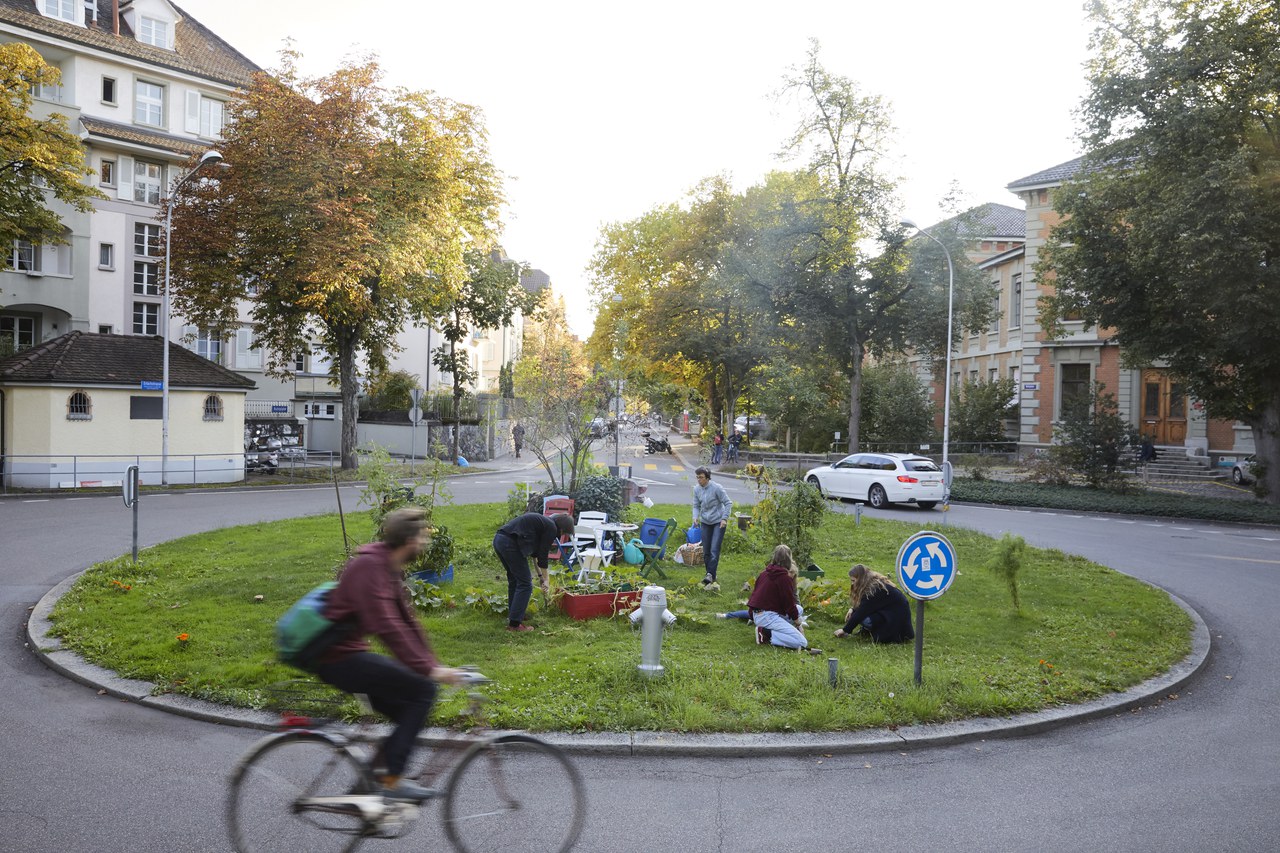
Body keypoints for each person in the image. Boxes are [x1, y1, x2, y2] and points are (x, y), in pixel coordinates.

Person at [314, 508, 465, 803]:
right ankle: (391, 781)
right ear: (409, 539)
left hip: (346, 653)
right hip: (336, 657)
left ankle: (372, 781)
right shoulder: (371, 567)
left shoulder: (387, 566)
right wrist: (429, 672)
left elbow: (406, 621)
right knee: (423, 691)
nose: (425, 544)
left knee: (408, 711)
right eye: (423, 537)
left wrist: (433, 664)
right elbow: (387, 627)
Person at [492, 511, 575, 631]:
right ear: (561, 528)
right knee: (525, 584)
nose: (562, 535)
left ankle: (515, 615)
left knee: (515, 580)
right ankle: (515, 624)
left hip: (500, 540)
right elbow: (543, 556)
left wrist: (541, 576)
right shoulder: (551, 527)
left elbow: (534, 556)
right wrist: (547, 580)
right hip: (509, 544)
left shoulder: (543, 524)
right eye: (564, 533)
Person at [745, 545, 821, 654]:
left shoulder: (764, 573)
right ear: (789, 559)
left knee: (799, 609)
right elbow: (789, 604)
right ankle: (765, 633)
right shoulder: (784, 578)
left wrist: (752, 615)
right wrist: (798, 623)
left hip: (760, 614)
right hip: (768, 616)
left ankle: (778, 631)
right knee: (802, 642)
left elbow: (755, 596)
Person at [835, 563, 915, 643]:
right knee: (857, 614)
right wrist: (852, 609)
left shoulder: (873, 591)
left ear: (860, 580)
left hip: (895, 623)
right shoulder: (874, 584)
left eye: (853, 581)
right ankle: (867, 631)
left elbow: (861, 612)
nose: (852, 584)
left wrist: (845, 630)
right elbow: (865, 606)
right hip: (891, 615)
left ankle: (877, 632)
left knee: (862, 618)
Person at [692, 466, 732, 588]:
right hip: (705, 522)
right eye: (697, 477)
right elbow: (696, 505)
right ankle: (711, 574)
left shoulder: (716, 488)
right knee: (706, 551)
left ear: (708, 477)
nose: (699, 480)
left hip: (718, 522)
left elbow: (728, 503)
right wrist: (695, 517)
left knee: (714, 550)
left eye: (701, 477)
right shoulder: (697, 489)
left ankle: (709, 574)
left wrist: (724, 518)